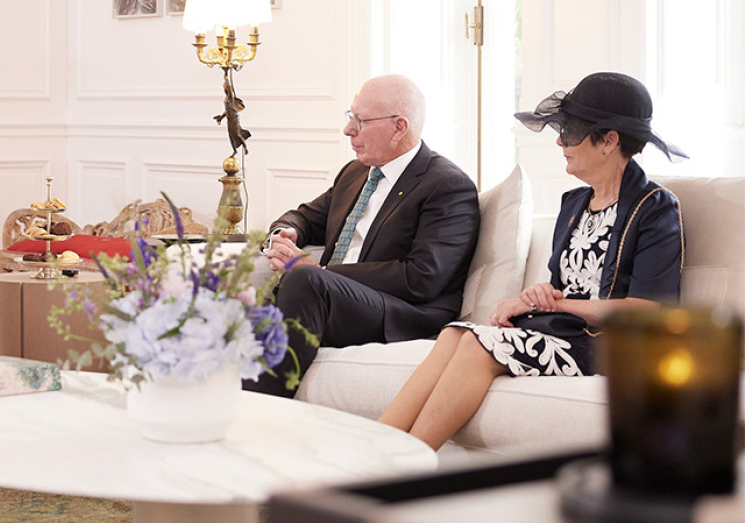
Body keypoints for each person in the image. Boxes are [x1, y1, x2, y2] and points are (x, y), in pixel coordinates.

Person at [379, 72, 686, 450]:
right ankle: (376, 452)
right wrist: (531, 299)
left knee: (477, 344)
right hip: (564, 333)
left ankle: (405, 463)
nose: (560, 140)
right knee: (453, 334)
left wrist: (559, 304)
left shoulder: (655, 208)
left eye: (571, 131)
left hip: (610, 348)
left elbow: (647, 311)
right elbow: (563, 288)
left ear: (609, 140)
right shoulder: (575, 203)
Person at [248, 74, 481, 398]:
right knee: (233, 295)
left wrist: (321, 271)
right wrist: (285, 233)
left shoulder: (447, 185)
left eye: (361, 121)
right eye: (350, 117)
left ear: (399, 127)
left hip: (401, 312)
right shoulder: (356, 173)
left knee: (304, 280)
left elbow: (422, 277)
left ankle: (259, 403)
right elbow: (306, 217)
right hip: (331, 296)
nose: (348, 130)